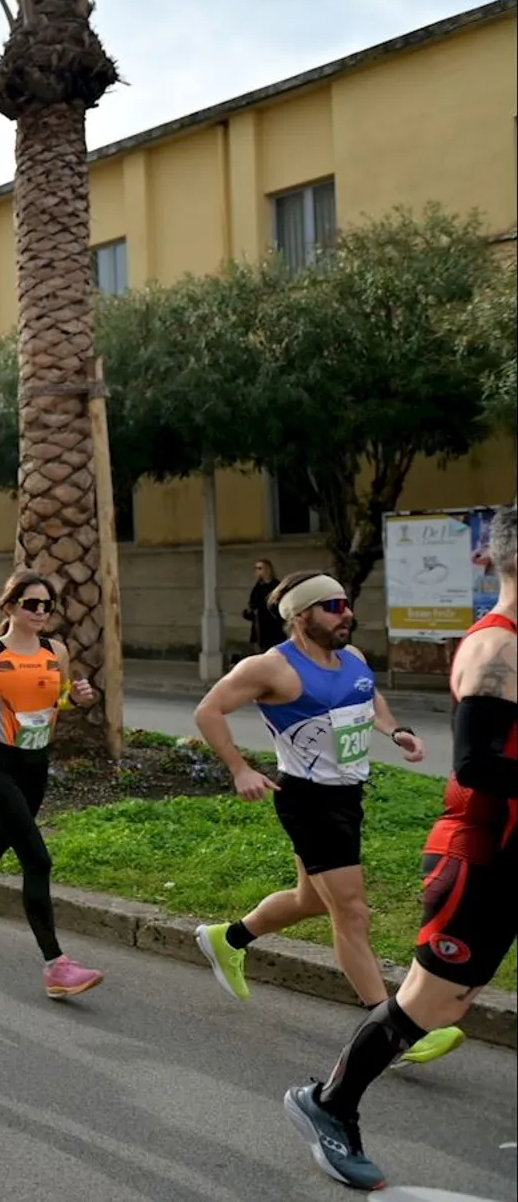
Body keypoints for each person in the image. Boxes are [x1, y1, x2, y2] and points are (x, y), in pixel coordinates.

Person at [282, 505, 517, 1191]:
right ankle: (328, 1104)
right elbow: (475, 761)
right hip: (484, 854)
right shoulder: (498, 647)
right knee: (434, 1003)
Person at [191, 571, 461, 1058]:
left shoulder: (352, 659)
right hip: (308, 800)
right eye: (335, 606)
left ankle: (227, 939)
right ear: (301, 616)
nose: (348, 615)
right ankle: (394, 1031)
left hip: (346, 797)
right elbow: (209, 710)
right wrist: (239, 769)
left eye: (347, 605)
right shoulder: (272, 669)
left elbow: (367, 695)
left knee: (311, 900)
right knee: (352, 913)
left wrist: (395, 731)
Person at [0, 570, 105, 998]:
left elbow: (57, 700)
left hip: (35, 767)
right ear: (10, 607)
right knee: (37, 860)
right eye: (32, 604)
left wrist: (76, 699)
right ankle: (56, 966)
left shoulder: (55, 651)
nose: (41, 612)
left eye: (48, 605)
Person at [245, 558, 285, 654]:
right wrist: (249, 613)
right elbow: (253, 603)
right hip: (259, 626)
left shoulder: (276, 585)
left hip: (273, 627)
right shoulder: (258, 586)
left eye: (260, 568)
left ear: (267, 569)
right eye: (256, 568)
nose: (257, 571)